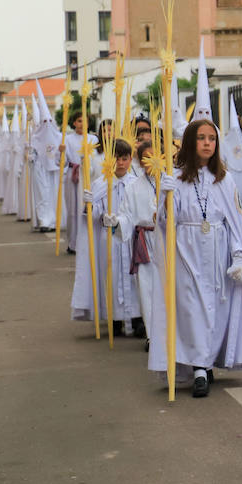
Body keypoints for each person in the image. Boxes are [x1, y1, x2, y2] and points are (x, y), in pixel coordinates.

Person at [147, 119, 242, 397]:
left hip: (217, 250)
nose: (208, 143)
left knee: (214, 307)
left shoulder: (224, 180)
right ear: (190, 142)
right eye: (201, 138)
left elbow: (235, 221)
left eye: (212, 138)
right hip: (187, 252)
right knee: (192, 308)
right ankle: (199, 369)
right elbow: (164, 224)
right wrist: (164, 195)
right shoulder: (175, 179)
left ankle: (206, 361)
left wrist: (238, 256)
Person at [76, 139, 144, 337]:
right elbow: (94, 214)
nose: (121, 163)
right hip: (109, 240)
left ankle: (137, 317)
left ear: (131, 159)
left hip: (130, 239)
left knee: (133, 278)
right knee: (111, 277)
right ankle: (113, 317)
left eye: (125, 159)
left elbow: (141, 210)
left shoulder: (136, 183)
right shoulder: (101, 184)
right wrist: (90, 206)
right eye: (117, 158)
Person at [119, 140, 160, 350]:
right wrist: (117, 222)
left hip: (167, 240)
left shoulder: (173, 182)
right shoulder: (133, 187)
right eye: (145, 157)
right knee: (146, 286)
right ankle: (153, 335)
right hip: (145, 239)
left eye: (154, 155)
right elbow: (127, 215)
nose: (150, 161)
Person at [25, 93, 61, 234]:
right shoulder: (34, 138)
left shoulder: (58, 137)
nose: (46, 124)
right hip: (40, 170)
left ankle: (53, 221)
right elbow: (32, 154)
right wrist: (31, 157)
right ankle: (44, 221)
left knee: (53, 196)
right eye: (43, 121)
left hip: (54, 171)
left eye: (49, 121)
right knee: (42, 195)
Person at [63, 112, 97, 254]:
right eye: (79, 121)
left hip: (89, 176)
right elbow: (60, 162)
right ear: (74, 123)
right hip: (73, 176)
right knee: (73, 209)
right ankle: (73, 242)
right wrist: (61, 153)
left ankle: (88, 241)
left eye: (85, 121)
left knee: (87, 208)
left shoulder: (93, 139)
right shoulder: (67, 139)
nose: (82, 124)